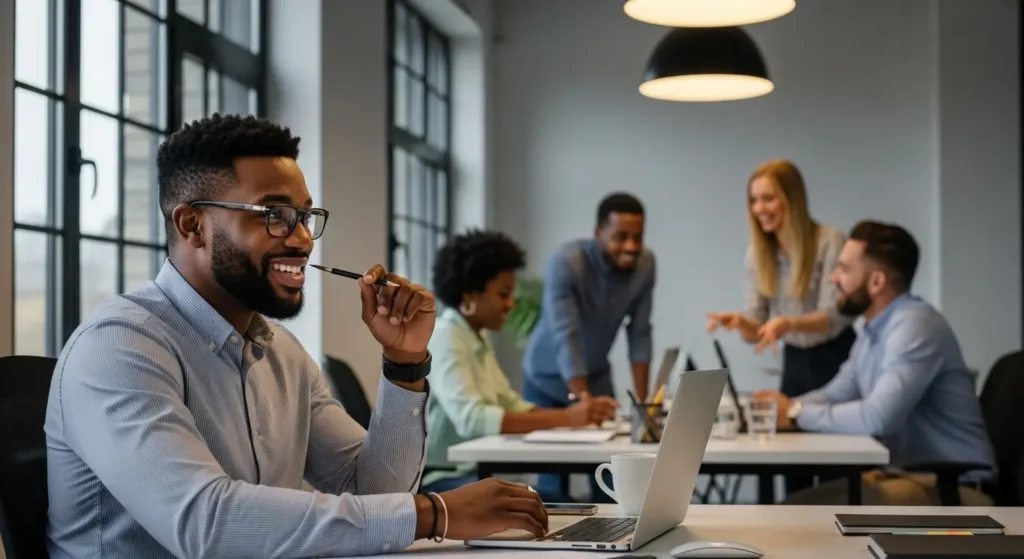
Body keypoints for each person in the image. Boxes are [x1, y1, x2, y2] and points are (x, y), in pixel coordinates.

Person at [44, 114, 547, 559]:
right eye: (275, 215)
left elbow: (374, 492)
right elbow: (204, 524)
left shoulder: (281, 353)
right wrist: (433, 515)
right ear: (193, 224)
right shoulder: (118, 347)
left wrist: (404, 361)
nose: (303, 239)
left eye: (305, 216)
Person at [753, 220, 997, 506]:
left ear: (877, 282)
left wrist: (795, 413)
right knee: (789, 511)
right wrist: (781, 409)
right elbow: (837, 392)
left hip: (952, 487)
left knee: (796, 520)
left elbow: (879, 418)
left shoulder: (915, 327)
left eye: (844, 269)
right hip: (903, 476)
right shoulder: (872, 329)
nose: (833, 278)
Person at [421, 230, 618, 501]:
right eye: (503, 294)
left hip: (475, 471)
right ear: (469, 295)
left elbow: (509, 402)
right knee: (553, 502)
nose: (511, 304)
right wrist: (567, 418)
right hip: (442, 478)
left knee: (558, 501)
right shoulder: (446, 336)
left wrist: (576, 417)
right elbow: (473, 419)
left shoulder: (474, 334)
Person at [521, 192, 655, 500]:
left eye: (638, 237)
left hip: (596, 374)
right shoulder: (566, 263)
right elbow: (565, 333)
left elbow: (640, 332)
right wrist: (582, 403)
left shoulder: (646, 264)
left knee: (610, 479)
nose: (631, 247)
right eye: (621, 237)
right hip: (544, 379)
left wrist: (643, 406)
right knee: (554, 488)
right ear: (598, 234)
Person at [707, 159, 856, 398]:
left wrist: (789, 324)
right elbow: (758, 331)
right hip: (795, 361)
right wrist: (740, 323)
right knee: (792, 431)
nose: (759, 209)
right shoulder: (756, 254)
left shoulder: (829, 241)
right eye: (754, 200)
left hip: (838, 356)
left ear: (792, 199)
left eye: (768, 198)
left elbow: (835, 315)